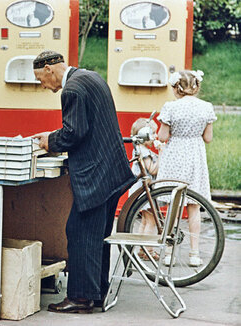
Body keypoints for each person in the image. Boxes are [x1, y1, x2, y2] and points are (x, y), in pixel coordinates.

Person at [32, 50, 135, 313]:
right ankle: (97, 292)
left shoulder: (71, 90)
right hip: (112, 171)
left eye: (41, 79)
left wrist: (50, 140)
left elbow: (74, 133)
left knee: (79, 233)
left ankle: (80, 298)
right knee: (98, 234)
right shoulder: (90, 77)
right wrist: (57, 135)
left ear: (48, 69)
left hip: (96, 174)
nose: (43, 86)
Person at [156, 70, 216, 267]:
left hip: (175, 155)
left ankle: (169, 253)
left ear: (176, 88)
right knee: (194, 206)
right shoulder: (206, 107)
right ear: (196, 87)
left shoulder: (170, 107)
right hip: (195, 156)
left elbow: (163, 136)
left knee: (174, 204)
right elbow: (208, 138)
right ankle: (194, 253)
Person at [128, 118, 160, 261]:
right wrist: (162, 153)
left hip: (142, 192)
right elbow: (152, 170)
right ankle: (148, 250)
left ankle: (142, 249)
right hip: (144, 192)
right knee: (151, 221)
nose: (155, 137)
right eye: (153, 134)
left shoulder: (140, 149)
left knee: (146, 221)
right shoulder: (144, 151)